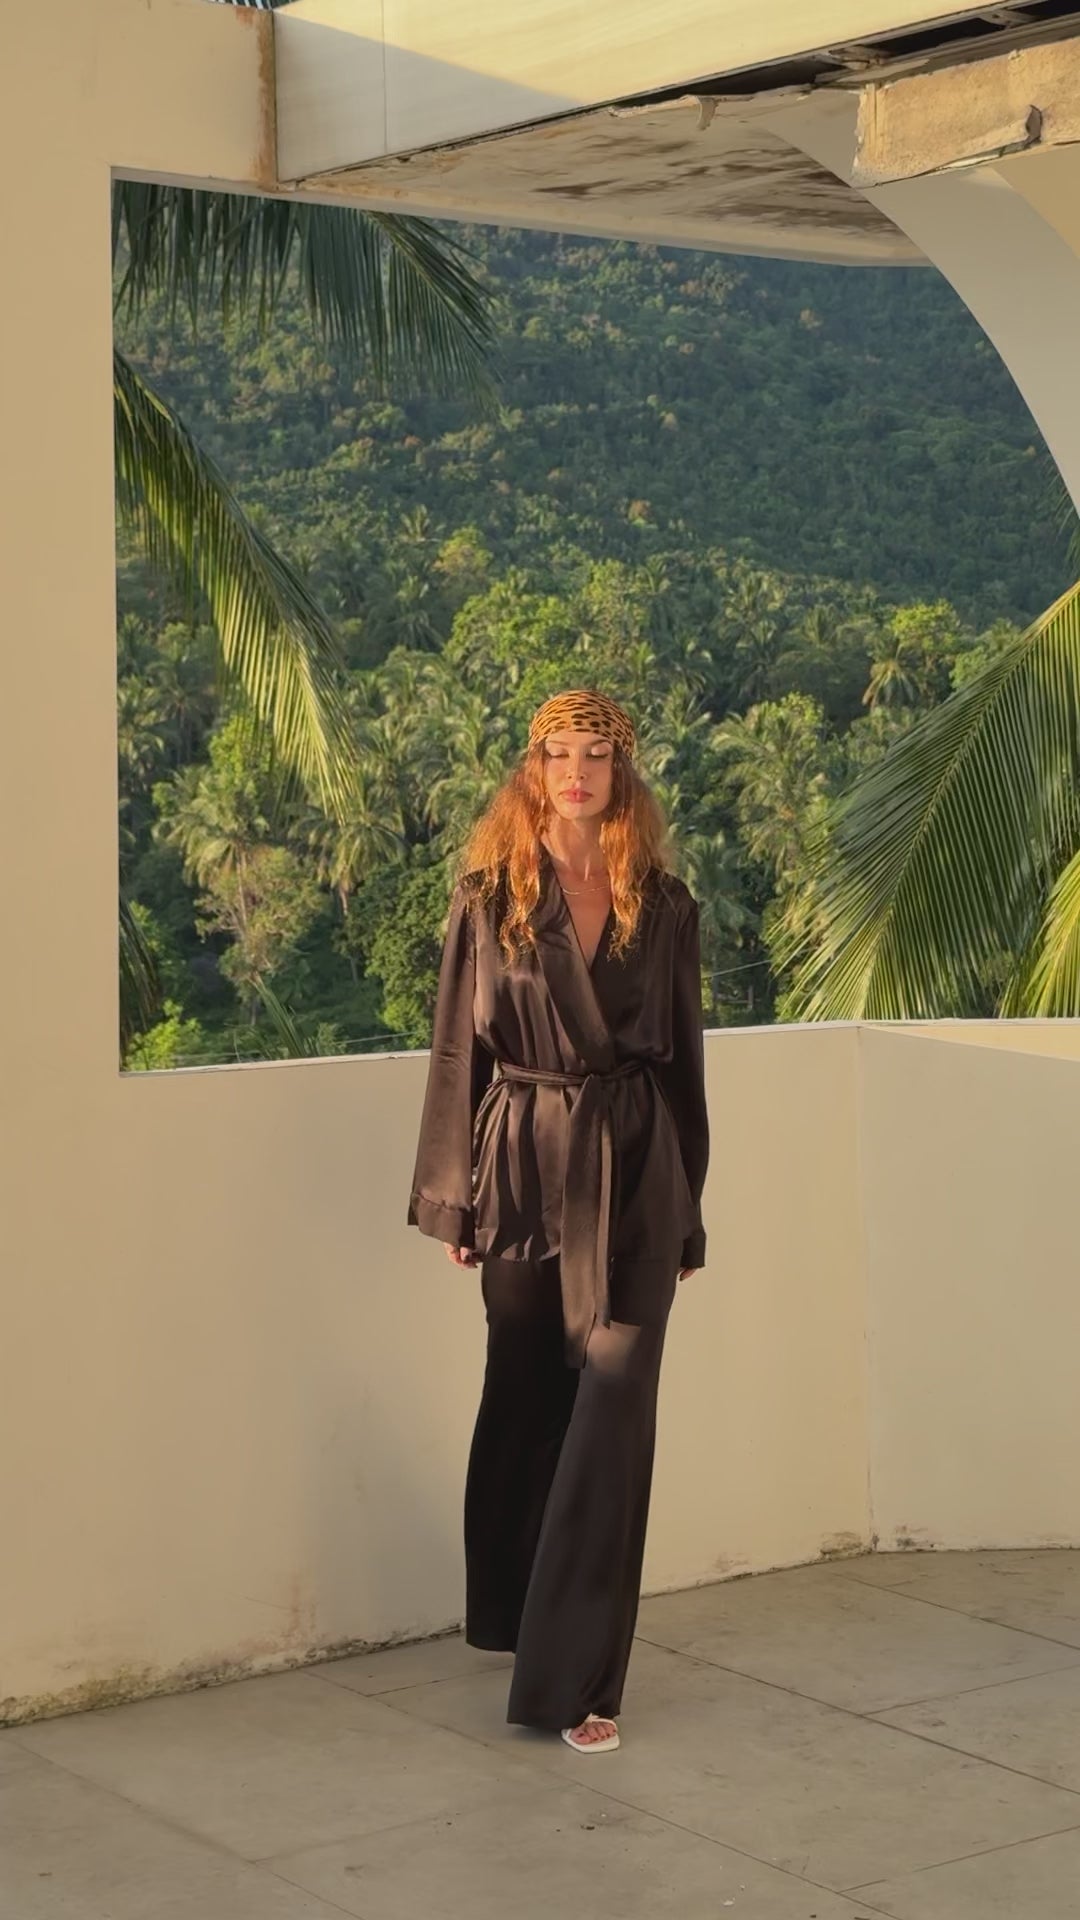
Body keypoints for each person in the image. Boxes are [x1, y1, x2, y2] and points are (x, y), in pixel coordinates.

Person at [407, 688, 709, 1753]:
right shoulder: (489, 897)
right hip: (523, 1167)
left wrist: (689, 1210)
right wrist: (451, 1195)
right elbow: (459, 1052)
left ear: (623, 773)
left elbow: (682, 1063)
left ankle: (579, 1678)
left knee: (613, 1417)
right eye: (557, 753)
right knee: (525, 1396)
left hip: (634, 1170)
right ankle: (514, 1606)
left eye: (595, 754)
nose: (576, 771)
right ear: (531, 769)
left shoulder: (664, 904)